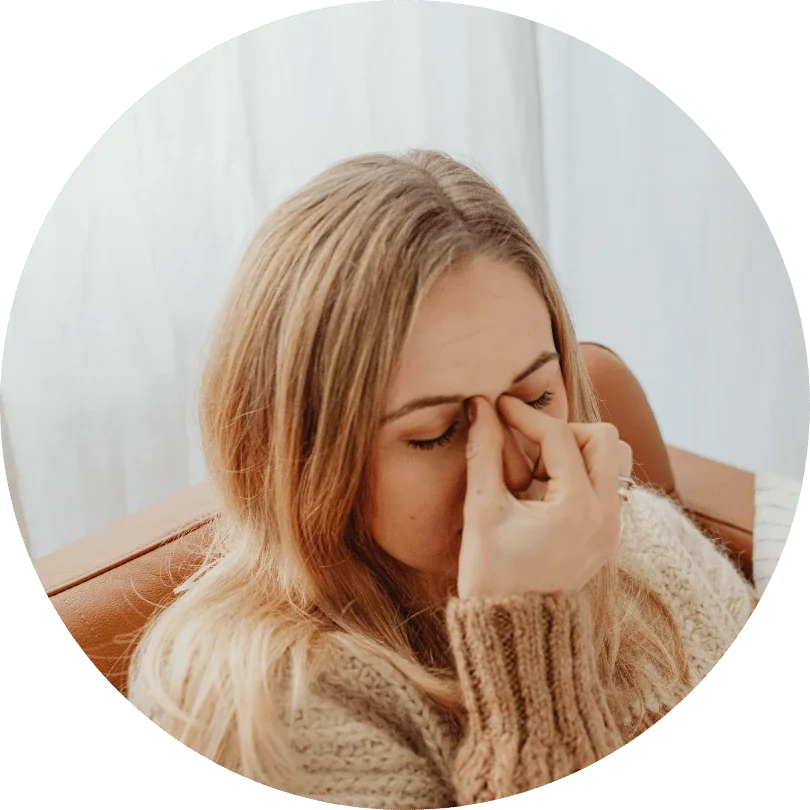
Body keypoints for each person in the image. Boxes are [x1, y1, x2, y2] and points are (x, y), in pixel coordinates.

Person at [128, 149, 757, 809]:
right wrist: (527, 632)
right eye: (433, 434)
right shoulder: (254, 713)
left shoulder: (637, 537)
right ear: (305, 455)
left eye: (536, 398)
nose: (510, 468)